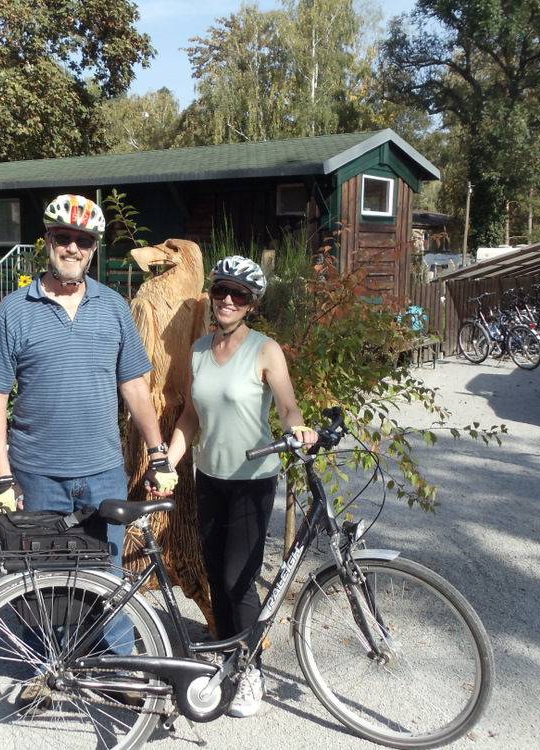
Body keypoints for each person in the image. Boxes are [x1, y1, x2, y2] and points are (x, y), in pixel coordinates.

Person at [0, 194, 177, 676]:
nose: (72, 247)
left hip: (104, 472)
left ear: (92, 250)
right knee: (43, 581)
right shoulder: (14, 310)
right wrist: (2, 476)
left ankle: (120, 670)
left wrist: (158, 452)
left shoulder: (113, 307)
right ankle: (47, 672)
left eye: (82, 241)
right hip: (38, 474)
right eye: (63, 237)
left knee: (108, 578)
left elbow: (134, 385)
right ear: (47, 241)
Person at [158, 255, 317, 718]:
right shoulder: (200, 350)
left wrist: (299, 429)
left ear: (251, 305)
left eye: (239, 295)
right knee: (214, 573)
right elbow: (190, 416)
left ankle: (251, 671)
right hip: (208, 476)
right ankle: (229, 652)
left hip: (252, 481)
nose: (228, 300)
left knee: (237, 578)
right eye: (222, 291)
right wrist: (168, 462)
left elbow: (288, 407)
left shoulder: (265, 350)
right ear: (213, 295)